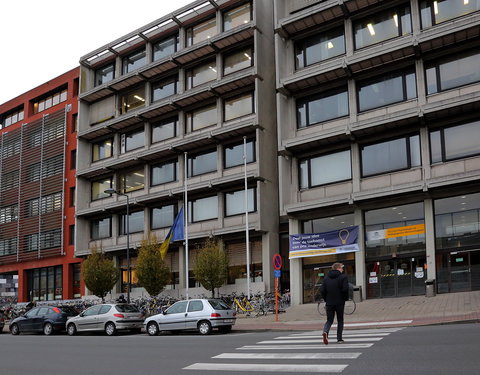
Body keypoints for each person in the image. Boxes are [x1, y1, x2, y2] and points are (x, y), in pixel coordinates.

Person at [320, 262, 349, 345]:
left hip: (329, 302)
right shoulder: (343, 277)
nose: (342, 269)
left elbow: (322, 290)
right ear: (338, 268)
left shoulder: (326, 278)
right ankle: (339, 339)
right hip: (340, 302)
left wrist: (326, 299)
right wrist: (345, 298)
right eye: (342, 268)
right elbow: (345, 289)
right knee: (340, 320)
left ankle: (325, 332)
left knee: (329, 320)